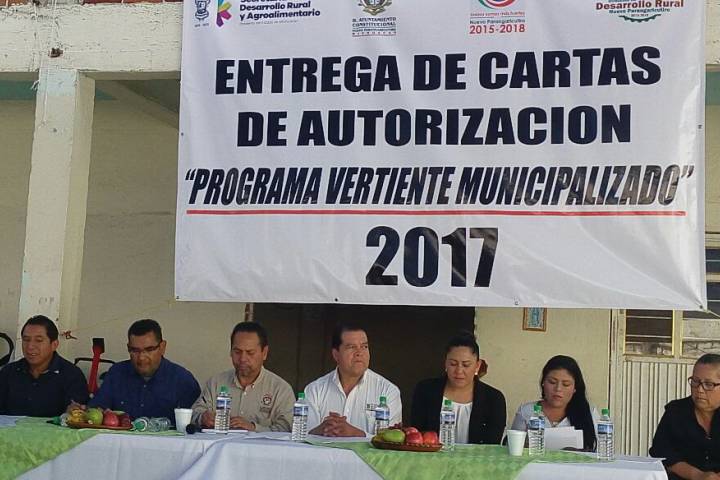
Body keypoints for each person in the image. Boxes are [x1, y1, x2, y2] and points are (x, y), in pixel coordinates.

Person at [75, 319, 200, 420]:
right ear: (128, 348)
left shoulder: (183, 380)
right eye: (135, 350)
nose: (141, 357)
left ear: (162, 347)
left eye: (149, 350)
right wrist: (82, 411)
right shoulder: (117, 373)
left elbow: (195, 425)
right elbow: (96, 409)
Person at [191, 322, 294, 431]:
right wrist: (202, 418)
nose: (243, 359)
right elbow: (193, 414)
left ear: (264, 353)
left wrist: (254, 428)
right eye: (237, 352)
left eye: (250, 353)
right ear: (230, 351)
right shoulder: (215, 383)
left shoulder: (280, 390)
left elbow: (287, 428)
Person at [305, 323, 401, 437]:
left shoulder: (388, 391)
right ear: (336, 355)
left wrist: (357, 434)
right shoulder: (315, 390)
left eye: (364, 347)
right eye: (351, 347)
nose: (359, 353)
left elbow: (392, 441)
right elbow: (302, 437)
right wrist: (321, 430)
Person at [411, 331, 506, 444]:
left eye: (466, 365)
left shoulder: (494, 399)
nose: (459, 371)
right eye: (453, 364)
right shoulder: (425, 390)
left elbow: (491, 445)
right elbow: (417, 435)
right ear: (445, 363)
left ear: (477, 366)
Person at [0, 315, 88, 417]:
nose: (30, 346)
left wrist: (73, 410)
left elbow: (76, 414)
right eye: (26, 340)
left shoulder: (72, 375)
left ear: (54, 345)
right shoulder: (9, 372)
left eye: (38, 340)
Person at [650, 353, 720, 480]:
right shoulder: (676, 411)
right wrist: (698, 475)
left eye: (708, 384)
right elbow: (660, 452)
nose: (699, 389)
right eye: (695, 381)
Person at [511, 355, 598, 451]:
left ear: (575, 388)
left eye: (566, 384)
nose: (558, 389)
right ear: (543, 383)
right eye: (552, 382)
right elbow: (512, 448)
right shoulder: (526, 411)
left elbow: (599, 452)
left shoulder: (589, 413)